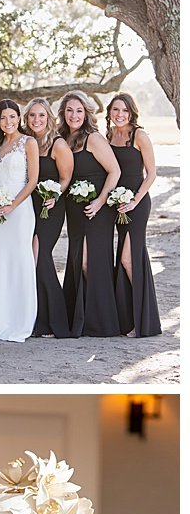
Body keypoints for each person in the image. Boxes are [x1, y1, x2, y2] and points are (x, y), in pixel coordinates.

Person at [58, 91, 121, 337]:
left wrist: (100, 202)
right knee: (77, 259)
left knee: (89, 260)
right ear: (63, 113)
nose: (74, 115)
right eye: (69, 110)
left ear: (86, 113)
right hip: (74, 210)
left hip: (97, 209)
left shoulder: (93, 138)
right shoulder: (62, 139)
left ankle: (100, 321)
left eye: (79, 110)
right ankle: (80, 319)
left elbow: (114, 171)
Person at [107, 92, 161, 337]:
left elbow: (151, 174)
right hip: (117, 206)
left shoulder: (139, 135)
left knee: (129, 259)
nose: (120, 115)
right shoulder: (108, 136)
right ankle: (129, 319)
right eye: (116, 110)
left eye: (124, 111)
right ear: (109, 112)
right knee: (125, 257)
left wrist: (134, 200)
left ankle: (144, 322)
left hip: (137, 204)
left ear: (131, 113)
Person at [0, 100, 39, 342]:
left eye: (12, 117)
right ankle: (0, 321)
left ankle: (21, 321)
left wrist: (12, 205)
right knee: (1, 263)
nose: (8, 122)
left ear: (19, 118)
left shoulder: (28, 143)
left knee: (20, 261)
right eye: (3, 118)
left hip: (20, 210)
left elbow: (32, 181)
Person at [24, 97, 73, 338]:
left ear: (49, 118)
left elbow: (66, 177)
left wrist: (55, 194)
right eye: (32, 115)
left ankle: (56, 321)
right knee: (29, 259)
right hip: (27, 206)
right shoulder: (25, 141)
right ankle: (37, 319)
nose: (36, 120)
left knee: (39, 254)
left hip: (49, 206)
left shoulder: (58, 145)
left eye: (41, 115)